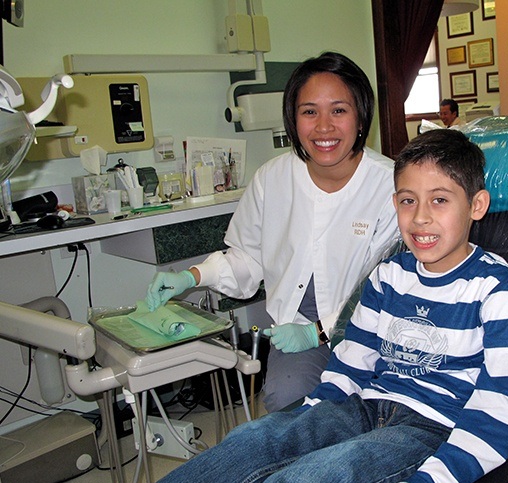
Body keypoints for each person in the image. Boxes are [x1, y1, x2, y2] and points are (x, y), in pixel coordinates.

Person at [139, 128, 508, 483]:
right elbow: (350, 365)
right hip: (366, 407)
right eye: (408, 200)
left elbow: (499, 410)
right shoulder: (388, 277)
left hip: (434, 426)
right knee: (251, 443)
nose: (420, 217)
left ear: (476, 205)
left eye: (440, 200)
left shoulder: (498, 291)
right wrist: (304, 422)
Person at [145, 52, 399, 412]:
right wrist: (192, 276)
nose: (323, 127)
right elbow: (248, 258)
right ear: (293, 121)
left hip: (372, 325)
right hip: (297, 322)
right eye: (309, 112)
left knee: (371, 410)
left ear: (361, 117)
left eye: (338, 111)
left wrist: (320, 332)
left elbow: (390, 288)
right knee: (286, 398)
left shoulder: (389, 185)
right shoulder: (272, 178)